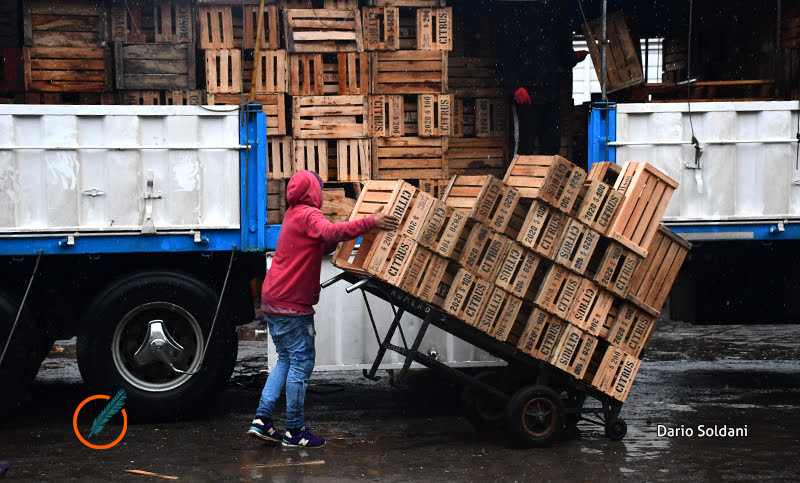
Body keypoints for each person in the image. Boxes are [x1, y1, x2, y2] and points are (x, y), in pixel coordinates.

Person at [247, 170, 399, 448]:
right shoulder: (308, 214)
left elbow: (324, 239)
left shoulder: (294, 214)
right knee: (301, 364)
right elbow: (329, 231)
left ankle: (262, 420)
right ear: (313, 191)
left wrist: (350, 231)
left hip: (274, 300)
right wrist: (370, 222)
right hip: (292, 305)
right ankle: (294, 431)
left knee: (285, 360)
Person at [495, 2, 588, 156]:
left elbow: (562, 56)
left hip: (552, 94)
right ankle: (522, 178)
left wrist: (573, 58)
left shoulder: (554, 23)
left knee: (552, 144)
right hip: (527, 95)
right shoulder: (516, 22)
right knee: (525, 145)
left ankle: (547, 177)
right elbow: (504, 60)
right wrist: (515, 87)